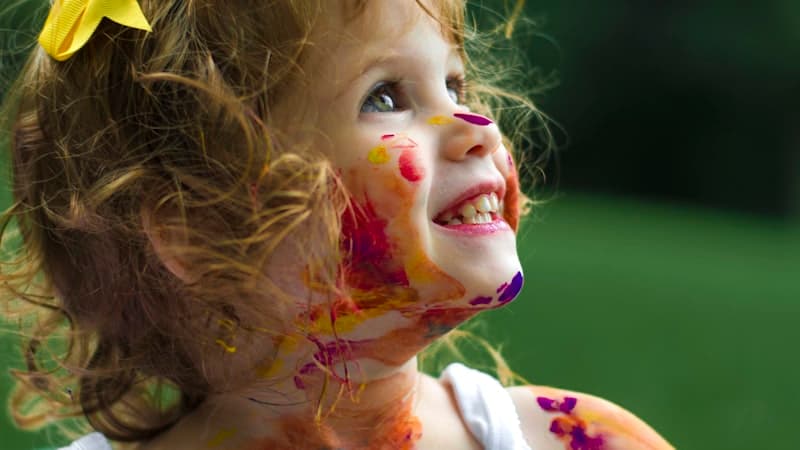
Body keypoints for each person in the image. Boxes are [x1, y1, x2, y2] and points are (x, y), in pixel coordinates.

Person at [1, 0, 674, 449]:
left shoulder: (573, 440)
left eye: (456, 86)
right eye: (386, 97)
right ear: (198, 230)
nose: (477, 129)